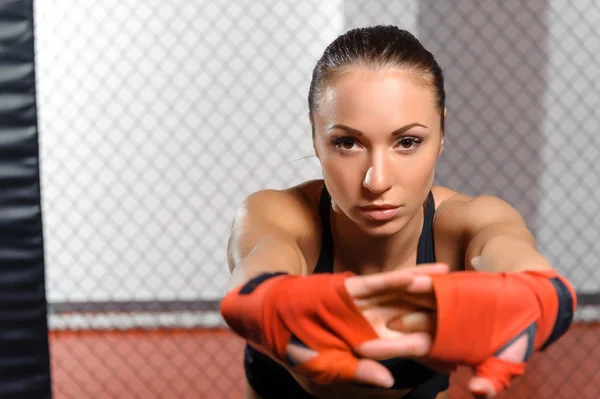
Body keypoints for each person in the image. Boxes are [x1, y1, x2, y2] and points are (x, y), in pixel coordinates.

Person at [220, 25, 576, 399]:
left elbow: (516, 257)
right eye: (347, 142)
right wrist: (269, 301)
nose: (377, 181)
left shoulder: (468, 223)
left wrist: (538, 297)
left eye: (407, 142)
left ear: (441, 134)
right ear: (315, 136)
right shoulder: (278, 214)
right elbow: (255, 273)